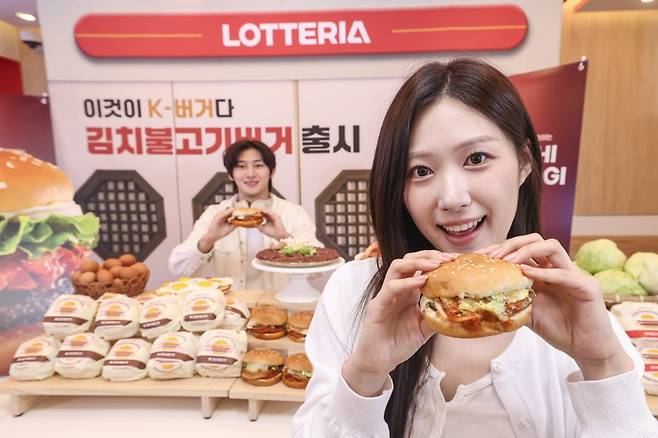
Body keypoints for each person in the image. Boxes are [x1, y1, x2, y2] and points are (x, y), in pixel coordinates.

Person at [292, 59, 657, 437]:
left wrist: (602, 364)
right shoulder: (356, 294)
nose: (452, 198)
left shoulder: (573, 308)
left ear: (524, 161)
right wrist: (365, 374)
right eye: (421, 171)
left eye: (477, 159)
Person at [169, 139, 321, 290]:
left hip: (279, 303)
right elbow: (178, 268)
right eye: (241, 166)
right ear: (231, 174)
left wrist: (284, 238)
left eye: (258, 165)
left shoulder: (294, 213)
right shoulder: (214, 214)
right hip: (230, 304)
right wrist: (209, 239)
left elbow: (317, 271)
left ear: (272, 171)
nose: (250, 174)